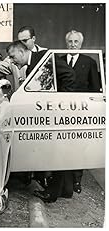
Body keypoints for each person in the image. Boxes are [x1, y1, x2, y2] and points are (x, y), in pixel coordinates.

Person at [7, 41, 76, 202]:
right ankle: (65, 189)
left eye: (12, 56)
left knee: (56, 151)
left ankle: (52, 193)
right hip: (51, 113)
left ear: (22, 52)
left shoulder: (43, 57)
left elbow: (69, 75)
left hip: (58, 112)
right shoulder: (31, 66)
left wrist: (61, 101)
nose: (11, 60)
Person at [61, 30, 101, 194]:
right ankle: (62, 180)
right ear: (66, 43)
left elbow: (95, 89)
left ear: (81, 44)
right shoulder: (59, 60)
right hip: (61, 110)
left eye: (76, 42)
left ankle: (77, 180)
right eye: (70, 41)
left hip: (81, 111)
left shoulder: (89, 62)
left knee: (79, 146)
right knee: (62, 145)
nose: (73, 45)